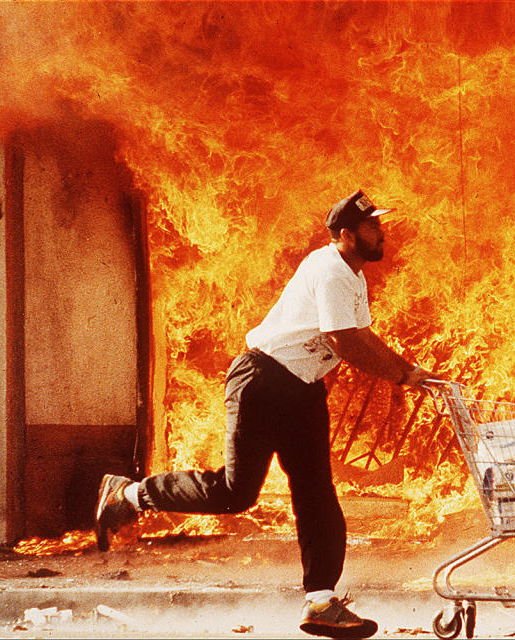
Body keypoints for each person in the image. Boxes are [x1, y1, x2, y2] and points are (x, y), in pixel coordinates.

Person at [95, 189, 435, 639]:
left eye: (380, 224)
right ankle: (130, 495)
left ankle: (321, 601)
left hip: (302, 388)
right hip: (263, 380)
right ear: (346, 234)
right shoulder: (330, 269)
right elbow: (343, 342)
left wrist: (407, 370)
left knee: (316, 493)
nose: (382, 232)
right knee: (235, 493)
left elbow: (363, 336)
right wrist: (401, 376)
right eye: (373, 226)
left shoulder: (353, 276)